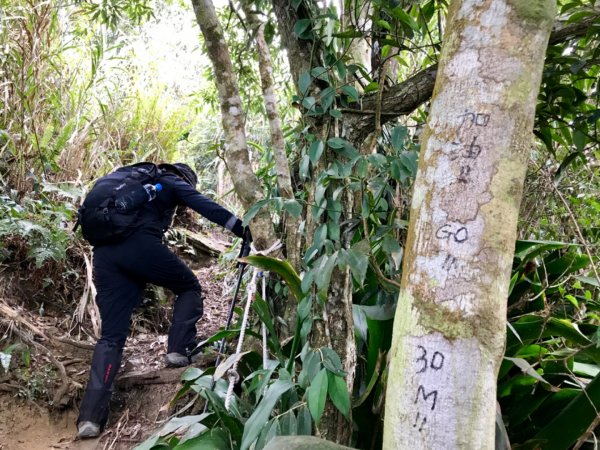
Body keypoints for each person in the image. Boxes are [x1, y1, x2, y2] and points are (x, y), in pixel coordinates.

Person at [77, 162, 249, 438]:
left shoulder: (128, 180)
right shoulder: (170, 180)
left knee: (111, 337)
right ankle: (179, 349)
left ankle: (90, 419)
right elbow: (204, 205)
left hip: (104, 255)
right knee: (188, 286)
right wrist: (242, 229)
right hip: (139, 246)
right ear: (185, 178)